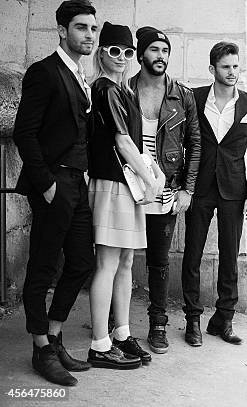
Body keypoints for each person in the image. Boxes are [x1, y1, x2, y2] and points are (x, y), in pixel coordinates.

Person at [12, 0, 97, 386]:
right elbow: (23, 133)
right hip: (53, 183)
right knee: (43, 267)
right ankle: (40, 347)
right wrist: (44, 183)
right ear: (62, 30)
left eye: (93, 29)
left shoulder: (81, 75)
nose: (89, 36)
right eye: (81, 28)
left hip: (77, 182)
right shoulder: (44, 72)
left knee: (81, 262)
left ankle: (55, 334)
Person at [87, 22, 165, 369]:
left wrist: (152, 171)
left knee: (126, 263)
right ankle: (100, 343)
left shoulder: (122, 91)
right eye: (114, 51)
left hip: (127, 185)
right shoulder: (105, 89)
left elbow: (131, 141)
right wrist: (150, 178)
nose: (122, 57)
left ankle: (120, 334)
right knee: (108, 263)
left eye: (128, 52)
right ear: (102, 52)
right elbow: (120, 141)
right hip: (112, 184)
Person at [182, 42, 247, 345]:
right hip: (200, 189)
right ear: (212, 69)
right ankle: (192, 320)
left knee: (230, 256)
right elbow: (185, 141)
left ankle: (223, 319)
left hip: (234, 191)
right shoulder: (196, 97)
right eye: (226, 67)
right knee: (192, 254)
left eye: (236, 66)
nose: (232, 72)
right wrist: (183, 186)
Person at [128, 26, 201, 353]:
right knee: (121, 259)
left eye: (165, 50)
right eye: (155, 50)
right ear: (142, 53)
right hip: (127, 186)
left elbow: (195, 144)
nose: (161, 56)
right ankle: (119, 329)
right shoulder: (125, 89)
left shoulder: (181, 95)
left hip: (165, 189)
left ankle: (158, 324)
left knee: (159, 261)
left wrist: (186, 189)